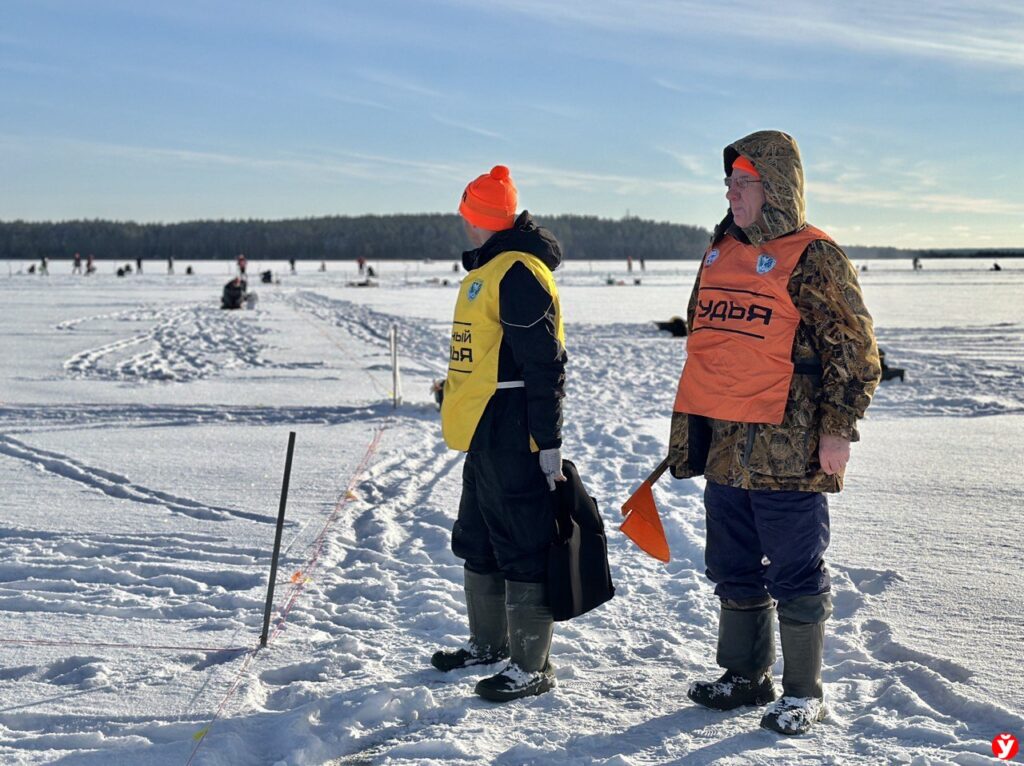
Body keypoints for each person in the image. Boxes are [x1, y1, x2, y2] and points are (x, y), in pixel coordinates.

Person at [667, 131, 880, 735]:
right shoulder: (719, 250)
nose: (730, 193)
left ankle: (802, 690)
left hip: (789, 447)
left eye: (743, 183)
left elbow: (856, 351)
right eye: (728, 183)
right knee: (732, 562)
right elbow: (706, 337)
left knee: (795, 567)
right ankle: (744, 674)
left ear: (775, 187)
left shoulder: (816, 256)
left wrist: (838, 431)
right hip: (727, 446)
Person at [432, 165, 567, 702]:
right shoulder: (490, 269)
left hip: (515, 433)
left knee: (522, 544)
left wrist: (548, 441)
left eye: (468, 212)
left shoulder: (518, 272)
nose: (465, 222)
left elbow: (545, 361)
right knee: (478, 537)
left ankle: (531, 664)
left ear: (477, 215)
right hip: (484, 433)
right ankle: (488, 644)